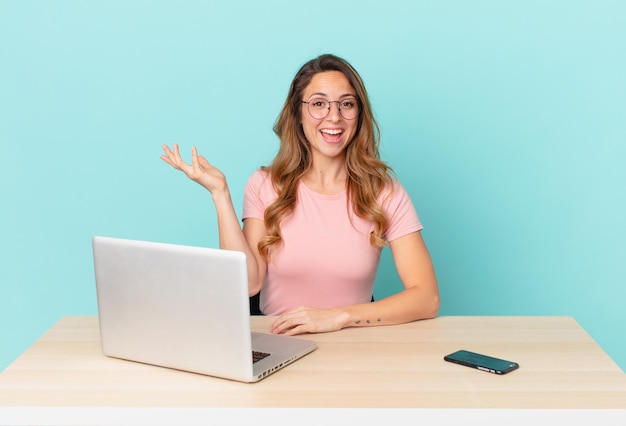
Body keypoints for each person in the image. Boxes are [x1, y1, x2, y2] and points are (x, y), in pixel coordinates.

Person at [161, 53, 439, 336]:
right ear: (298, 114)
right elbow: (248, 284)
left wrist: (337, 317)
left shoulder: (386, 193)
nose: (334, 116)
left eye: (347, 104)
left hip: (353, 343)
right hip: (276, 339)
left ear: (359, 114)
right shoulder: (264, 184)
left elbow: (427, 299)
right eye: (319, 104)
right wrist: (220, 195)